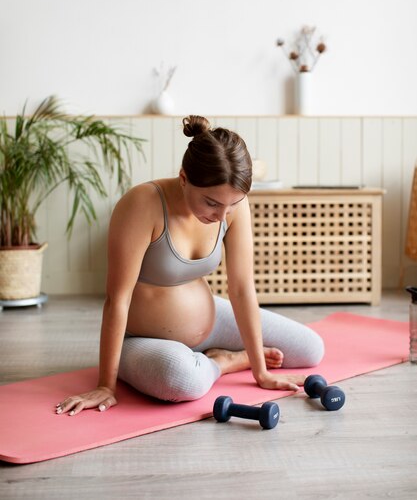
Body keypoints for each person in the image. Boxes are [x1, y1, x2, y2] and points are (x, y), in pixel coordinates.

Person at [56, 115, 324, 416]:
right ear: (184, 178)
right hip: (144, 339)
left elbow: (241, 288)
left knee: (310, 349)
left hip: (210, 323)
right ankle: (222, 362)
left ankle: (227, 356)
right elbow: (117, 299)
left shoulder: (233, 204)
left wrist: (261, 373)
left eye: (232, 204)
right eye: (211, 203)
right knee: (181, 380)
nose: (223, 216)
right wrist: (106, 385)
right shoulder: (142, 205)